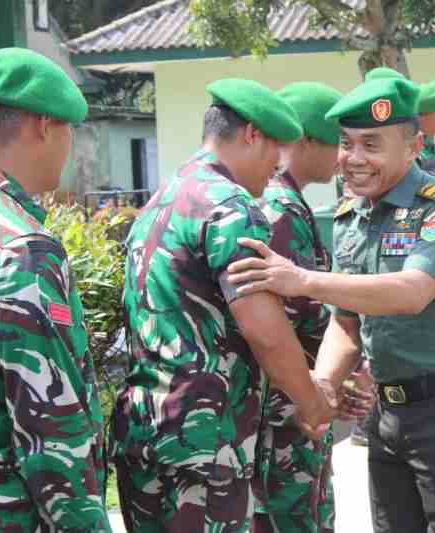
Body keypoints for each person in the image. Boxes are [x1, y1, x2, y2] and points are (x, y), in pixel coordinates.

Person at [226, 77, 435, 533]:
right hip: (387, 414)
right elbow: (347, 324)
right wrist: (323, 383)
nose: (353, 159)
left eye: (371, 145)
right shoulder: (350, 217)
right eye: (346, 143)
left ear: (413, 146)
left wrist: (304, 280)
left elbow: (412, 291)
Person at [110, 78, 337, 532]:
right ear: (252, 134)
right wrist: (311, 401)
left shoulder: (161, 200)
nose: (275, 168)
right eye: (275, 149)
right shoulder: (230, 206)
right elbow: (265, 331)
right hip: (204, 441)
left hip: (144, 431)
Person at [0, 48, 111, 530]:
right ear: (43, 124)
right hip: (4, 515)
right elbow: (51, 431)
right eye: (69, 129)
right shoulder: (20, 247)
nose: (70, 145)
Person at [251, 81, 358, 533]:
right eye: (337, 144)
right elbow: (291, 318)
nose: (341, 158)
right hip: (288, 407)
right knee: (291, 517)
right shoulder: (281, 211)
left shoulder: (290, 204)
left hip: (301, 398)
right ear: (306, 141)